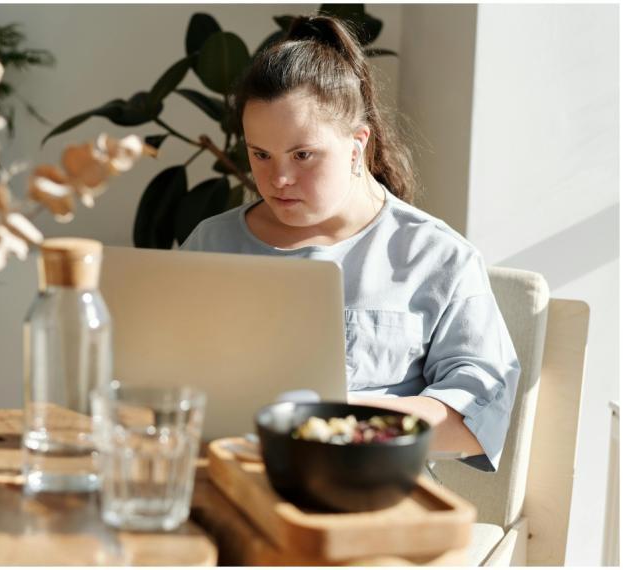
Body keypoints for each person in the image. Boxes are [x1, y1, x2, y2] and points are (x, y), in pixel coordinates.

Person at [179, 14, 520, 472]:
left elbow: (474, 421)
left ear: (357, 144)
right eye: (260, 154)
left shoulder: (436, 258)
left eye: (303, 155)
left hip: (365, 497)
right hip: (228, 484)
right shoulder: (211, 243)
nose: (278, 179)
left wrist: (328, 421)